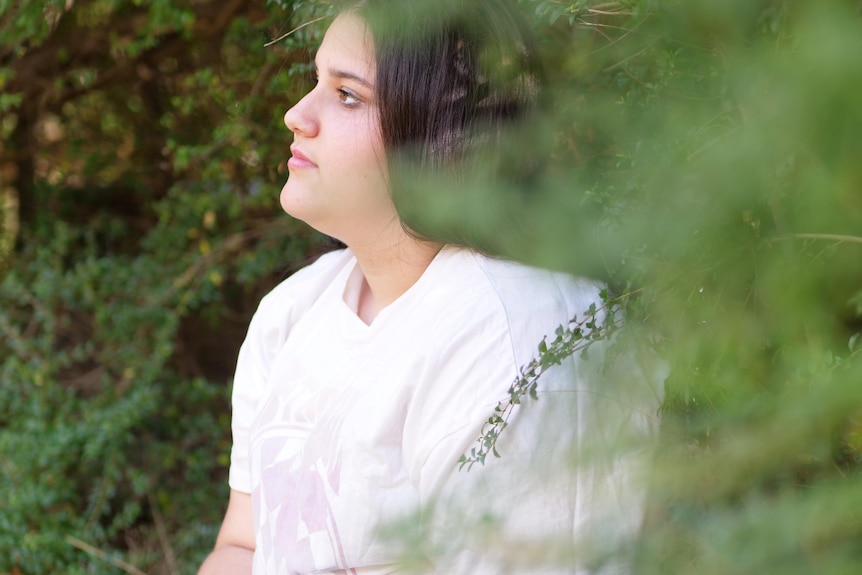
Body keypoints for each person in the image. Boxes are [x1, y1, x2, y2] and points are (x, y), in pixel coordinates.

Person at [198, 1, 663, 573]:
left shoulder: (523, 337)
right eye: (315, 82)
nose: (297, 114)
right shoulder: (292, 311)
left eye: (348, 95)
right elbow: (243, 547)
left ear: (444, 136)